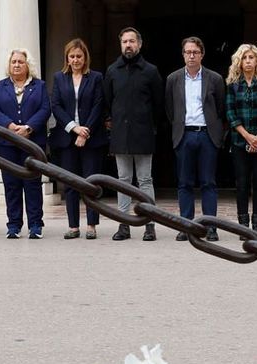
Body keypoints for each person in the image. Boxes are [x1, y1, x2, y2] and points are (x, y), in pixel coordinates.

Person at [104, 26, 164, 242]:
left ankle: (150, 224)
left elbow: (158, 104)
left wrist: (148, 124)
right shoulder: (112, 71)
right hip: (121, 133)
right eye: (124, 42)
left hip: (143, 133)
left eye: (131, 41)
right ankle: (124, 225)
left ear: (139, 44)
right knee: (123, 180)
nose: (128, 45)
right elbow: (109, 101)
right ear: (120, 45)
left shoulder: (150, 71)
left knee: (145, 180)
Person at [166, 36, 226, 241]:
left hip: (207, 135)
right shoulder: (173, 79)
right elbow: (170, 109)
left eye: (195, 52)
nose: (191, 56)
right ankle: (186, 225)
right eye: (188, 52)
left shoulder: (215, 78)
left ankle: (210, 227)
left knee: (208, 182)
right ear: (183, 54)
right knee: (184, 183)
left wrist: (215, 133)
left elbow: (220, 108)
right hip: (184, 135)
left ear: (202, 54)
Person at [50, 38, 106, 240]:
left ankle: (92, 225)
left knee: (91, 184)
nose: (75, 60)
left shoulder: (96, 77)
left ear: (85, 58)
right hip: (66, 139)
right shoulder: (59, 77)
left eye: (79, 56)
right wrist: (74, 129)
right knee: (71, 183)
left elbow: (99, 106)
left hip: (92, 139)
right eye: (72, 56)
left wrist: (86, 131)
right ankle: (73, 226)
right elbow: (55, 106)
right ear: (67, 58)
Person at [0, 49, 49, 239]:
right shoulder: (1, 86)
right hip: (7, 143)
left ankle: (35, 225)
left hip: (32, 143)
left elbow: (45, 109)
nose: (16, 65)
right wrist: (10, 125)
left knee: (32, 183)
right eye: (13, 62)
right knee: (11, 184)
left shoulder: (39, 86)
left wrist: (29, 127)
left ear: (27, 65)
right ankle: (13, 225)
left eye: (20, 62)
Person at [225, 43, 257, 239]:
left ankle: (256, 226)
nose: (247, 61)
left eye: (251, 58)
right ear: (239, 61)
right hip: (239, 141)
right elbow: (230, 113)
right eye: (244, 58)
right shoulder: (232, 84)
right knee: (242, 183)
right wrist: (247, 136)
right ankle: (243, 226)